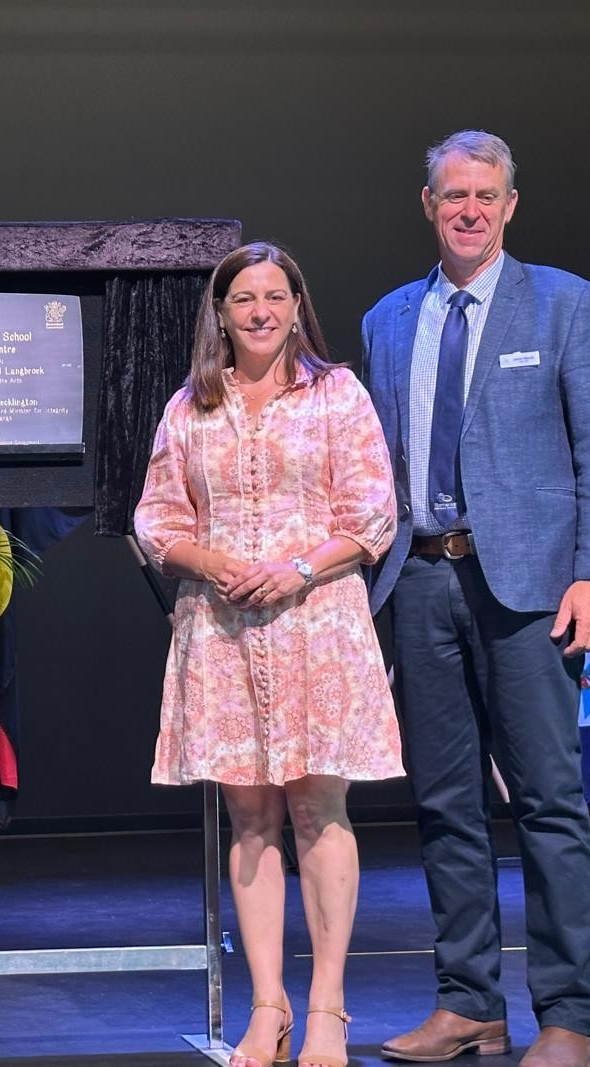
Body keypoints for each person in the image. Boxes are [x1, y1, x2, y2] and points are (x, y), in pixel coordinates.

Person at [361, 131, 590, 1067]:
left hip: (533, 591)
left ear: (511, 205)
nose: (469, 209)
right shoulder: (389, 320)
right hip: (422, 578)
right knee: (443, 804)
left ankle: (566, 1017)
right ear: (426, 204)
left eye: (486, 194)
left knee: (552, 802)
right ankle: (467, 1002)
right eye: (452, 194)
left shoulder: (565, 305)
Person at [135, 242, 402, 1067]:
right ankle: (267, 1007)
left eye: (274, 296)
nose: (259, 311)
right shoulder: (190, 407)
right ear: (221, 311)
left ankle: (328, 1008)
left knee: (319, 812)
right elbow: (154, 517)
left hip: (316, 624)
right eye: (243, 298)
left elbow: (372, 513)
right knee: (250, 820)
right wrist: (209, 562)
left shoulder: (336, 395)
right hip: (219, 632)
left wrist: (295, 566)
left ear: (296, 305)